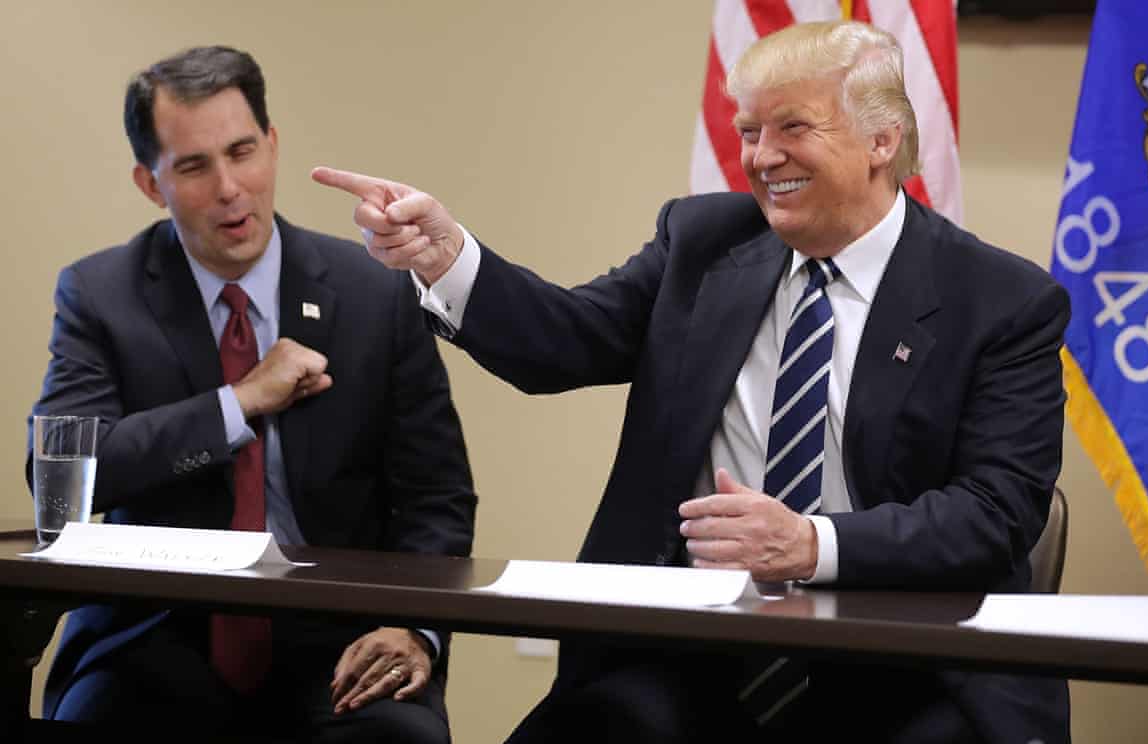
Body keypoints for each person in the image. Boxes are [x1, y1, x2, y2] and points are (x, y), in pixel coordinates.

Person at [314, 19, 1069, 744]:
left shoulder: (1001, 301)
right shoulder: (705, 245)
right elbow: (565, 342)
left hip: (905, 660)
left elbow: (995, 514)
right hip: (693, 651)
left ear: (883, 138)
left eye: (793, 128)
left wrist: (813, 543)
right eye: (749, 133)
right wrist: (447, 256)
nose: (763, 157)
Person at [26, 46, 476, 743]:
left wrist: (412, 628)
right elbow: (66, 475)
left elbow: (436, 497)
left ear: (272, 145)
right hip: (155, 636)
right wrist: (238, 402)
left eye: (242, 151)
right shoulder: (100, 294)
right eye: (195, 166)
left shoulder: (373, 295)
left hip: (340, 639)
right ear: (152, 184)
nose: (231, 187)